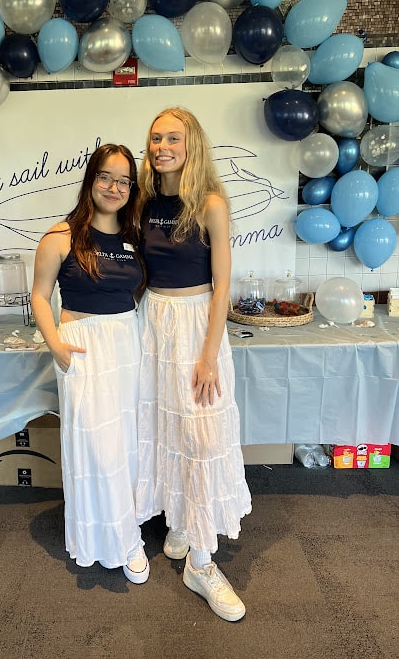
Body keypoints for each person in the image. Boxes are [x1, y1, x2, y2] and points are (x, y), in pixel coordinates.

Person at [135, 107, 252, 620]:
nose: (162, 146)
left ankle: (202, 564)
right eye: (156, 138)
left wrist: (209, 354)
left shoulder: (209, 203)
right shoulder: (140, 202)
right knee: (165, 427)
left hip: (196, 324)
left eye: (173, 138)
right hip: (151, 323)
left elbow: (223, 284)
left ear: (192, 144)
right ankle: (180, 520)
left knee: (203, 435)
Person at [31, 143, 149, 583]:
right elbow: (39, 297)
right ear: (91, 180)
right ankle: (110, 540)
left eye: (123, 180)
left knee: (126, 445)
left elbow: (135, 294)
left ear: (131, 188)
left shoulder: (133, 238)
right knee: (94, 449)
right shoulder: (59, 237)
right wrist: (56, 346)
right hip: (81, 346)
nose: (114, 187)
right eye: (106, 176)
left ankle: (127, 530)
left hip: (126, 344)